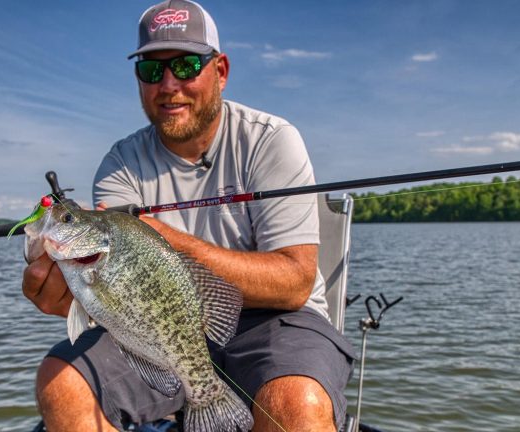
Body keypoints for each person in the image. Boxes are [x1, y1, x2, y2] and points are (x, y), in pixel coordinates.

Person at [22, 1, 356, 430]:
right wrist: (73, 293)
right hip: (157, 330)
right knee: (62, 384)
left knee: (299, 404)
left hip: (277, 319)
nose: (168, 84)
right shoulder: (120, 164)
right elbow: (117, 292)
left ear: (220, 71)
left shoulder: (272, 141)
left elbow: (294, 282)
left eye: (186, 65)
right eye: (151, 70)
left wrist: (167, 238)